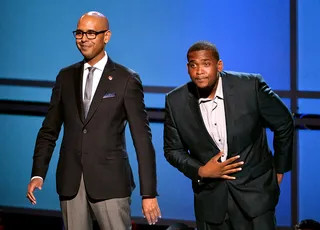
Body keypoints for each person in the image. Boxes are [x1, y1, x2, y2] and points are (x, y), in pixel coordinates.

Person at [26, 11, 161, 230]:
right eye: (79, 33)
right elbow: (49, 130)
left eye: (91, 33)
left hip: (111, 183)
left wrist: (149, 193)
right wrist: (38, 173)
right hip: (71, 183)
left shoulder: (126, 79)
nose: (83, 38)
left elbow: (142, 140)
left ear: (106, 36)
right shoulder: (65, 76)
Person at [163, 41, 294, 230]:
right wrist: (200, 171)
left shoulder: (249, 86)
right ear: (187, 68)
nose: (199, 71)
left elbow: (284, 122)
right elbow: (172, 150)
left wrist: (280, 168)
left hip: (256, 195)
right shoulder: (175, 101)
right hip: (211, 200)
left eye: (206, 64)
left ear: (219, 65)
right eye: (193, 65)